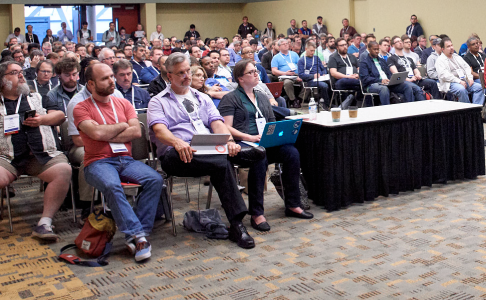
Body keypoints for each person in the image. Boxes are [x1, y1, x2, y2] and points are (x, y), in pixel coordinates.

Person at [0, 61, 73, 254]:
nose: (21, 75)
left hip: (39, 156)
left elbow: (59, 116)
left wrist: (43, 119)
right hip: (5, 157)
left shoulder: (38, 98)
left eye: (21, 72)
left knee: (63, 169)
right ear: (1, 81)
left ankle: (45, 223)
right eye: (14, 73)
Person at [147, 54, 256, 249]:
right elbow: (159, 131)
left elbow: (217, 123)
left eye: (188, 71)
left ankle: (237, 223)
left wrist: (229, 141)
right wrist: (177, 142)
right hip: (177, 154)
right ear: (169, 76)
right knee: (225, 163)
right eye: (181, 73)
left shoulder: (202, 97)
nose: (187, 76)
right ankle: (237, 224)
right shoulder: (158, 101)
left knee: (222, 163)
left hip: (207, 148)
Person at [74, 62, 163, 263]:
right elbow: (95, 132)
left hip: (125, 159)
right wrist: (122, 126)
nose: (111, 81)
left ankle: (138, 233)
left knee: (154, 180)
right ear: (90, 84)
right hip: (97, 163)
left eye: (110, 76)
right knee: (113, 186)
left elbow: (136, 131)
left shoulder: (123, 104)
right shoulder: (81, 108)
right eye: (104, 78)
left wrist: (107, 131)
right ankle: (138, 237)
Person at [217, 59, 314, 231]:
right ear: (240, 78)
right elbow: (226, 127)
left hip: (263, 141)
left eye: (256, 71)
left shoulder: (261, 96)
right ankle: (256, 213)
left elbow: (270, 122)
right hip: (242, 145)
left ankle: (293, 204)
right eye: (251, 72)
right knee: (259, 155)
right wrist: (251, 137)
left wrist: (276, 135)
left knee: (291, 152)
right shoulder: (230, 98)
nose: (257, 74)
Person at [433, 38, 484, 103]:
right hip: (451, 82)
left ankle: (476, 109)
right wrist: (459, 81)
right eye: (448, 46)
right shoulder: (440, 60)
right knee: (461, 89)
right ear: (443, 49)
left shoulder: (456, 56)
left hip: (464, 80)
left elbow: (467, 67)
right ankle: (466, 110)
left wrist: (470, 78)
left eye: (451, 45)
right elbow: (444, 75)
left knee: (479, 87)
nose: (451, 48)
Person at [269, 37, 304, 106]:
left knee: (309, 81)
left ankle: (300, 99)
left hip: (296, 74)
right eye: (283, 44)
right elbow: (274, 71)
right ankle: (293, 100)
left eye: (287, 43)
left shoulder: (294, 54)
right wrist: (285, 73)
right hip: (285, 76)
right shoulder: (276, 57)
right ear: (279, 47)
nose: (285, 45)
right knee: (288, 83)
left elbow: (300, 66)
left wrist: (301, 75)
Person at [326, 37, 361, 102]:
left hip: (354, 79)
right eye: (342, 45)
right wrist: (348, 76)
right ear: (337, 47)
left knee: (363, 81)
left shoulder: (352, 57)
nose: (345, 47)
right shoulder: (333, 57)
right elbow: (333, 73)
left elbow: (359, 69)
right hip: (340, 81)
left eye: (345, 45)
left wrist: (358, 75)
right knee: (360, 82)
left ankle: (357, 100)